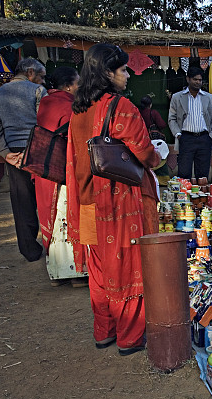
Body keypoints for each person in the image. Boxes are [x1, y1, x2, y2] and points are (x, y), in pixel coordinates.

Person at [67, 43, 160, 355]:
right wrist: (160, 158)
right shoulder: (119, 106)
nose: (127, 75)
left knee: (99, 269)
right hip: (118, 202)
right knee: (128, 266)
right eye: (122, 69)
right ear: (107, 73)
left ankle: (104, 332)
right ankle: (130, 337)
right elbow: (145, 153)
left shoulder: (78, 108)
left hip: (88, 200)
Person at [0, 57, 47, 262]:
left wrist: (5, 153)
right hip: (40, 150)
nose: (42, 81)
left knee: (22, 203)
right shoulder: (37, 91)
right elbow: (43, 122)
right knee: (48, 199)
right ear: (30, 72)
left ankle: (30, 251)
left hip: (13, 153)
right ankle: (54, 247)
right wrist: (34, 149)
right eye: (41, 76)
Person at [33, 65, 88, 287]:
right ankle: (74, 273)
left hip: (46, 172)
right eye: (77, 83)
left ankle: (56, 273)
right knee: (67, 218)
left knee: (55, 221)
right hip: (64, 172)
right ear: (68, 86)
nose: (79, 87)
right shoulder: (68, 106)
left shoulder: (46, 102)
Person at [167, 66, 212, 180]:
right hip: (186, 138)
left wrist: (211, 136)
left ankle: (201, 197)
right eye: (195, 79)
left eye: (200, 80)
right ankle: (185, 197)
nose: (197, 82)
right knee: (184, 173)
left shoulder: (209, 98)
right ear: (188, 79)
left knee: (202, 174)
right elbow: (172, 118)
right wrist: (178, 135)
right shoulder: (177, 97)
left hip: (204, 138)